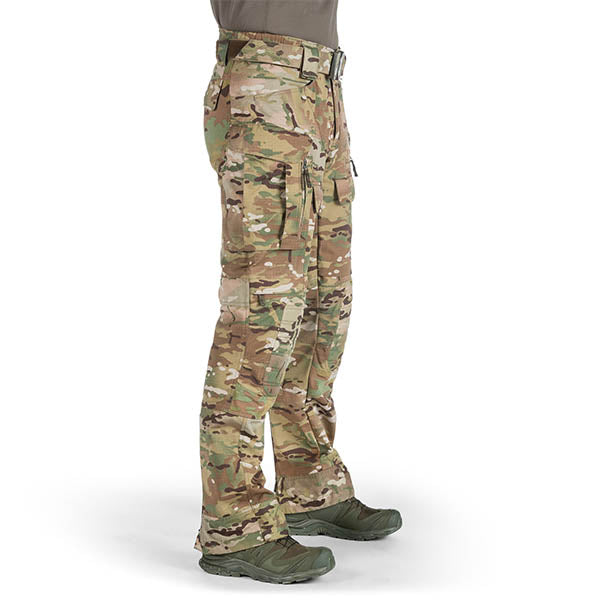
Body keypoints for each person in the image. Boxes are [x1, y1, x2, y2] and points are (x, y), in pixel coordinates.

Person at [195, 0, 402, 583]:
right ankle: (234, 523)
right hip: (266, 84)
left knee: (323, 303)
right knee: (261, 313)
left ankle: (310, 485)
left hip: (322, 86)